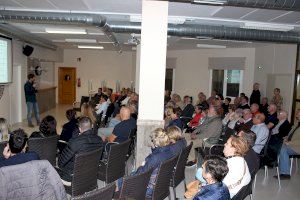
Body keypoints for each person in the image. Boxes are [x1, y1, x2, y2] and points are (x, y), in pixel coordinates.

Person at [57, 116, 103, 182]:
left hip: (73, 175)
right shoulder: (99, 140)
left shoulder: (75, 142)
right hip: (91, 171)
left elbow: (60, 163)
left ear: (79, 129)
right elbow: (100, 157)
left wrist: (72, 139)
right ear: (92, 126)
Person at [133, 128, 173, 198]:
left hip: (149, 189)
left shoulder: (154, 158)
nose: (152, 141)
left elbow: (141, 174)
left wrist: (141, 166)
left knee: (123, 181)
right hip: (162, 185)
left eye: (152, 140)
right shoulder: (170, 152)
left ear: (156, 141)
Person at [274, 109, 300, 180]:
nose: (296, 114)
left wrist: (290, 142)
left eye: (298, 113)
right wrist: (286, 138)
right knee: (280, 144)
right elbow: (291, 134)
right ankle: (276, 162)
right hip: (291, 143)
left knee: (284, 149)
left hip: (297, 146)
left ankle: (285, 173)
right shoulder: (297, 123)